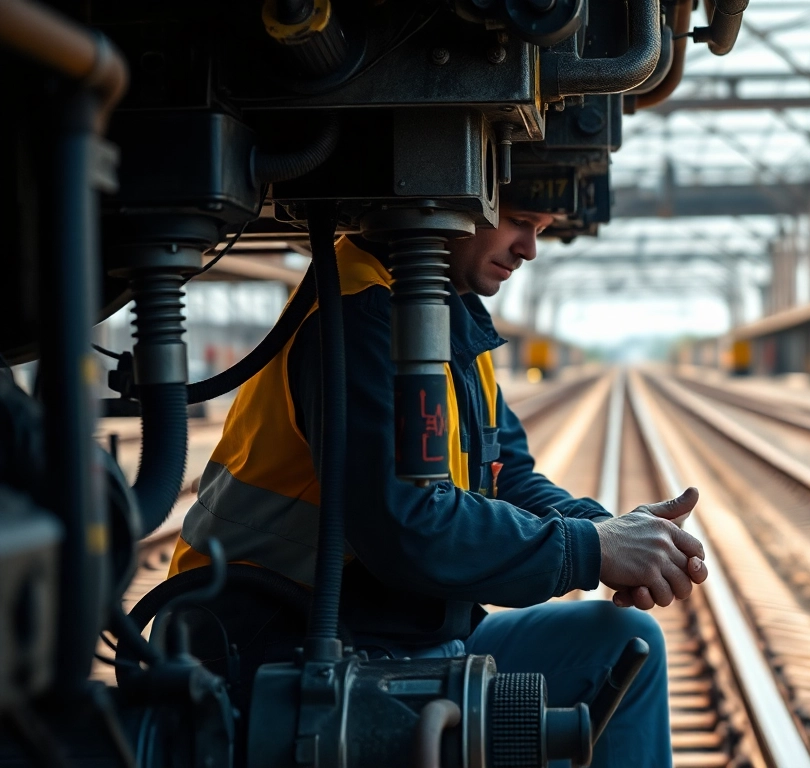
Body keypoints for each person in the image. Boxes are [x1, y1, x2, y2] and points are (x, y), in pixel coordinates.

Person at [167, 202, 707, 768]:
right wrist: (592, 550)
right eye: (520, 220)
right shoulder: (358, 317)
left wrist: (611, 531)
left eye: (541, 231)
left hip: (399, 635)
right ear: (459, 192)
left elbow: (508, 474)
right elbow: (409, 528)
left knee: (623, 646)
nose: (530, 248)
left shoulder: (447, 312)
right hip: (275, 645)